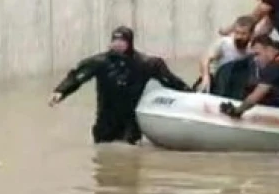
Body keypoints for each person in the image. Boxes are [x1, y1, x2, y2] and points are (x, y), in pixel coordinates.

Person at [49, 26, 192, 144]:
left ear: (130, 43)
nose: (117, 43)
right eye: (115, 40)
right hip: (105, 122)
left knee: (129, 163)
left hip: (130, 123)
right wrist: (60, 91)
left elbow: (170, 80)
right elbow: (77, 77)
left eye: (121, 40)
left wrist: (190, 94)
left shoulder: (146, 64)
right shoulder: (100, 62)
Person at [197, 16, 255, 98]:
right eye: (237, 33)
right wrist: (206, 77)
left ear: (251, 34)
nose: (239, 37)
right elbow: (205, 59)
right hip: (221, 82)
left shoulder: (253, 47)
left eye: (243, 34)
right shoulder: (225, 43)